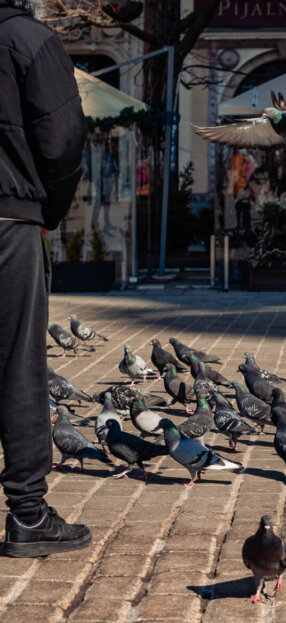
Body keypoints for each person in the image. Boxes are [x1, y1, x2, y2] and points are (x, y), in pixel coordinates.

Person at [0, 0, 91, 557]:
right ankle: (28, 515)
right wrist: (45, 212)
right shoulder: (27, 39)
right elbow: (63, 138)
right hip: (8, 222)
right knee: (18, 365)